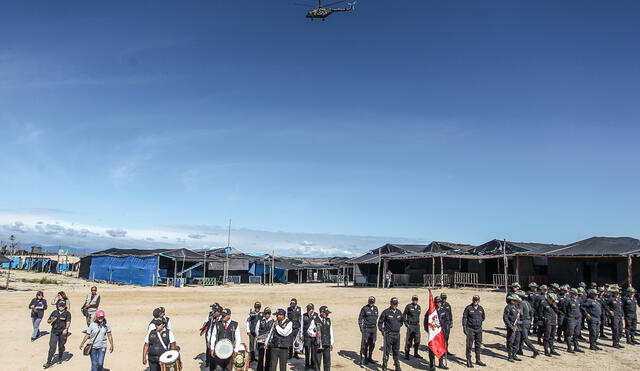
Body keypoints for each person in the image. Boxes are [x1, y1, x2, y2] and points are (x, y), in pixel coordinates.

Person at [43, 300, 71, 368]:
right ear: (57, 306)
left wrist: (66, 329)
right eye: (60, 305)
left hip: (62, 332)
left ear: (65, 306)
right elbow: (48, 321)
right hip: (54, 332)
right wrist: (52, 320)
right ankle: (48, 362)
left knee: (61, 346)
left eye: (62, 306)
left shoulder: (67, 313)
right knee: (52, 347)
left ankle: (60, 358)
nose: (61, 307)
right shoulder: (54, 312)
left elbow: (68, 321)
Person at [423, 296, 449, 370]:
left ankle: (441, 363)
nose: (439, 303)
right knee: (432, 348)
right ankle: (431, 365)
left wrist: (446, 329)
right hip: (433, 333)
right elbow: (425, 321)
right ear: (434, 302)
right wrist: (428, 330)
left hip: (441, 333)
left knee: (441, 348)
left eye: (440, 302)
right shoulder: (431, 311)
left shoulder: (444, 310)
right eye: (437, 302)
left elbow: (447, 320)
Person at [378, 297, 403, 371]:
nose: (395, 305)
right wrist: (382, 331)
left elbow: (401, 322)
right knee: (387, 352)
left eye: (396, 304)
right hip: (388, 335)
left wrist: (397, 327)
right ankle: (384, 367)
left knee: (396, 351)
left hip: (397, 335)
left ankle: (397, 367)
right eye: (393, 304)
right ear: (391, 303)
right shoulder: (386, 312)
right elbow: (380, 323)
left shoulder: (399, 312)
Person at [462, 295, 485, 368]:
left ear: (479, 301)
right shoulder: (468, 308)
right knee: (469, 345)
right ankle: (469, 361)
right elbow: (464, 318)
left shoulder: (481, 308)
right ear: (472, 300)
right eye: (474, 300)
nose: (475, 301)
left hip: (479, 329)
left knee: (478, 345)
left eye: (477, 300)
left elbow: (483, 317)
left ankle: (478, 360)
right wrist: (464, 328)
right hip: (470, 329)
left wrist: (478, 322)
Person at [308, 306, 334, 371]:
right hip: (318, 343)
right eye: (326, 313)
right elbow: (309, 330)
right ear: (321, 313)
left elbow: (331, 331)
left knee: (327, 361)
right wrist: (315, 334)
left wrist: (331, 342)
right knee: (317, 361)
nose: (327, 314)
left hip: (327, 343)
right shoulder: (315, 320)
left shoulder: (328, 320)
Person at [516, 290, 539, 357]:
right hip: (528, 321)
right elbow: (531, 312)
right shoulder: (527, 303)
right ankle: (519, 350)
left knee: (525, 338)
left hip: (523, 322)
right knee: (520, 337)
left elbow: (520, 313)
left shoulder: (520, 303)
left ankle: (535, 351)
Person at [358, 296, 378, 366]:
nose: (371, 303)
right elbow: (360, 319)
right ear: (368, 301)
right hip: (366, 329)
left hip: (373, 329)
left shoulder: (376, 308)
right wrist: (361, 328)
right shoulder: (364, 308)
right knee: (365, 344)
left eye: (372, 302)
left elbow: (376, 318)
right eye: (370, 301)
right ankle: (365, 358)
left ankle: (370, 357)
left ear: (374, 302)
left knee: (372, 343)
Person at [539, 292, 560, 357]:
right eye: (552, 300)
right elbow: (540, 314)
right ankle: (546, 350)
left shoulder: (553, 304)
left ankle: (552, 349)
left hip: (553, 322)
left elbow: (557, 311)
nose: (553, 302)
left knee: (552, 336)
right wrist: (544, 319)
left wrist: (555, 306)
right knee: (546, 337)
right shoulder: (543, 303)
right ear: (549, 299)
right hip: (547, 323)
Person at [402, 295, 422, 360]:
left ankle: (416, 353)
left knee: (417, 340)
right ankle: (406, 355)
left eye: (416, 299)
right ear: (412, 300)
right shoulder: (409, 306)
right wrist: (405, 323)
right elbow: (404, 314)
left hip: (417, 326)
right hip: (410, 326)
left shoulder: (419, 307)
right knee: (409, 340)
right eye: (414, 299)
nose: (415, 301)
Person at [563, 288, 583, 353]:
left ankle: (576, 347)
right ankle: (569, 348)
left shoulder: (578, 300)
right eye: (574, 294)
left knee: (576, 333)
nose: (576, 295)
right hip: (571, 319)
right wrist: (568, 316)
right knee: (569, 333)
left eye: (576, 294)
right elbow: (564, 309)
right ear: (571, 294)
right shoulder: (568, 300)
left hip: (578, 319)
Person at [202, 303, 222, 367]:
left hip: (218, 337)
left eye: (213, 309)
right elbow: (206, 324)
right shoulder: (210, 315)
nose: (212, 310)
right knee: (209, 349)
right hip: (210, 335)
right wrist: (203, 330)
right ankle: (208, 362)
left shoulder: (222, 318)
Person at [503, 295, 522, 362]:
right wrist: (510, 326)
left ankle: (514, 354)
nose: (517, 302)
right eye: (516, 301)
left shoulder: (516, 307)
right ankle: (510, 356)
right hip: (512, 327)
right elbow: (505, 318)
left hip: (517, 327)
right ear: (512, 301)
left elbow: (519, 317)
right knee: (510, 341)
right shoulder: (508, 307)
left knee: (517, 341)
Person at [303, 303, 319, 369]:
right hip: (306, 336)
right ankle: (307, 365)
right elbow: (302, 325)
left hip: (314, 336)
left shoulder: (316, 315)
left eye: (310, 309)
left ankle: (313, 364)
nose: (308, 310)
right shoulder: (304, 315)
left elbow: (318, 326)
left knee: (313, 351)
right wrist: (301, 335)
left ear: (313, 309)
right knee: (307, 350)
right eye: (307, 309)